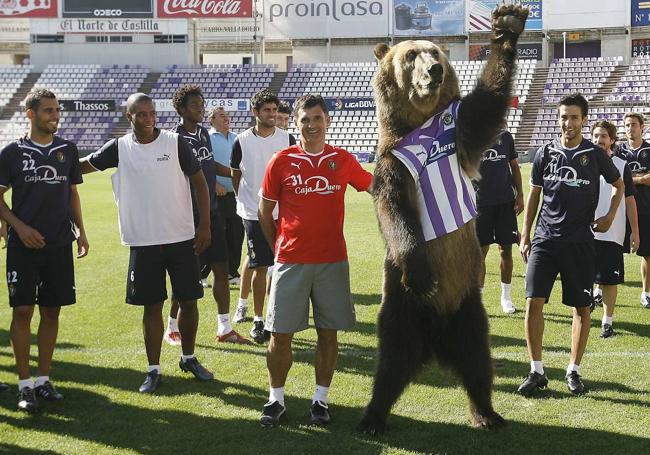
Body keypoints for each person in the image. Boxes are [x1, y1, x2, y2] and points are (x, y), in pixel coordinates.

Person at [79, 93, 213, 393]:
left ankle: (188, 358)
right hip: (144, 242)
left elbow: (200, 183)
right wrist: (58, 164)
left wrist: (204, 225)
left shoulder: (174, 143)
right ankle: (153, 370)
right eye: (141, 114)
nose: (149, 118)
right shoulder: (120, 148)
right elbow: (86, 165)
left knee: (189, 301)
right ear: (130, 117)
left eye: (152, 113)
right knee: (151, 306)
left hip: (181, 237)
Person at [258, 94, 373, 427]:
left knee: (328, 334)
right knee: (279, 335)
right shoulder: (280, 161)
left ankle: (320, 401)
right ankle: (275, 399)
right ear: (295, 123)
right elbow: (264, 213)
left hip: (332, 261)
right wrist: (278, 246)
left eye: (317, 118)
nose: (312, 125)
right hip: (291, 260)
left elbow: (373, 186)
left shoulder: (342, 159)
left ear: (328, 122)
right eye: (305, 119)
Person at [518, 93, 623, 396]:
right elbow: (535, 194)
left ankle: (573, 370)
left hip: (579, 243)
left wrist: (608, 215)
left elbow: (618, 185)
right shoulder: (545, 153)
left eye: (574, 117)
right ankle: (536, 371)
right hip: (545, 239)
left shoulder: (595, 154)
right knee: (533, 302)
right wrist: (526, 235)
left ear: (584, 120)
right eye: (564, 116)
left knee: (581, 307)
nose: (568, 122)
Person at [0, 89, 89, 412]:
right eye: (48, 110)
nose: (55, 116)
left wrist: (81, 232)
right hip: (23, 247)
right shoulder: (11, 153)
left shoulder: (67, 150)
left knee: (52, 311)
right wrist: (19, 228)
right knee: (22, 311)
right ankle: (24, 386)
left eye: (57, 110)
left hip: (59, 244)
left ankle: (43, 379)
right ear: (31, 114)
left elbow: (72, 196)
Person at [163, 86, 250, 346]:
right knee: (186, 277)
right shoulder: (173, 138)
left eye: (202, 104)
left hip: (211, 213)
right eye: (194, 105)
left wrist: (239, 171)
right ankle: (172, 326)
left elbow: (209, 164)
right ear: (180, 109)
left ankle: (224, 327)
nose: (200, 108)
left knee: (221, 270)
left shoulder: (202, 133)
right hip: (187, 218)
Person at [230, 90, 295, 344]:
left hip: (284, 212)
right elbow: (236, 175)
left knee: (282, 266)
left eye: (274, 110)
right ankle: (258, 320)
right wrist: (246, 201)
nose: (272, 114)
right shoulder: (241, 141)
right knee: (260, 266)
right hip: (253, 213)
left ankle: (273, 315)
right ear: (255, 112)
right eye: (266, 110)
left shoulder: (287, 139)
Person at [591, 120, 639, 338]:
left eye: (603, 137)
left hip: (613, 233)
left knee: (610, 279)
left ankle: (607, 322)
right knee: (585, 273)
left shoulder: (621, 165)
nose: (599, 140)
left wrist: (635, 232)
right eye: (596, 136)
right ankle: (589, 303)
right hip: (585, 231)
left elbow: (630, 201)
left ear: (611, 140)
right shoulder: (583, 162)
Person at [475, 126, 524, 313]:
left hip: (505, 202)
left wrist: (519, 194)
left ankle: (506, 297)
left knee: (506, 250)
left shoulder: (505, 136)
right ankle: (478, 301)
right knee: (480, 252)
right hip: (480, 205)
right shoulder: (471, 136)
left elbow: (514, 166)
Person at [208, 107, 245, 286]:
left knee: (236, 234)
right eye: (221, 116)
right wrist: (214, 183)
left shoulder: (236, 138)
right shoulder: (207, 138)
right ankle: (203, 273)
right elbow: (204, 164)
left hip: (236, 195)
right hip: (217, 195)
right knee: (217, 236)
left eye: (227, 116)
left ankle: (232, 272)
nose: (226, 118)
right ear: (212, 120)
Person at [617, 112, 650, 309]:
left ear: (642, 127)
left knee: (647, 253)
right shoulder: (619, 151)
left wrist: (628, 179)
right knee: (610, 250)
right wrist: (640, 178)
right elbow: (614, 179)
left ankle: (646, 293)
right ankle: (599, 290)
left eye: (634, 124)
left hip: (645, 209)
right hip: (620, 210)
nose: (630, 128)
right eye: (627, 125)